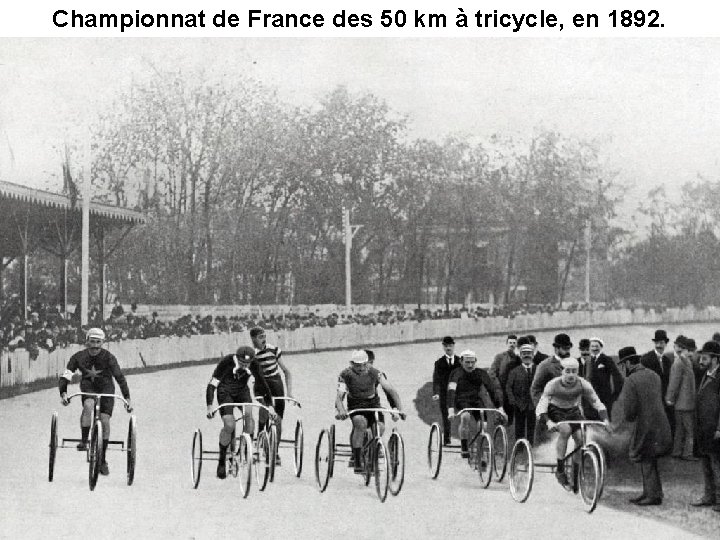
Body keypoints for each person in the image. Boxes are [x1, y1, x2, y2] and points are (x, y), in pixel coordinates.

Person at [59, 327, 132, 476]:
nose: (95, 346)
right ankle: (84, 440)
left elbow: (120, 378)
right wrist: (63, 393)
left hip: (106, 388)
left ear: (102, 343)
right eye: (92, 342)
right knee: (88, 404)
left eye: (98, 342)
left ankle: (103, 459)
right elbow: (66, 376)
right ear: (87, 342)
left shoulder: (109, 357)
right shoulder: (78, 357)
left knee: (105, 420)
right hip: (88, 385)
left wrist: (127, 398)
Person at [536, 356, 608, 487]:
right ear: (561, 371)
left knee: (581, 439)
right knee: (565, 430)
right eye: (568, 371)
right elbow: (542, 405)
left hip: (573, 411)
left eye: (574, 371)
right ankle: (560, 469)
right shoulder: (552, 384)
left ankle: (575, 471)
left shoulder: (583, 383)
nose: (571, 375)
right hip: (555, 410)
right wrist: (548, 422)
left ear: (578, 372)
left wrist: (605, 419)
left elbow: (596, 401)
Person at [206, 345, 276, 479]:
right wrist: (209, 406)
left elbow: (263, 384)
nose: (244, 366)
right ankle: (222, 460)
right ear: (237, 358)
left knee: (249, 418)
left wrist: (270, 406)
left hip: (242, 391)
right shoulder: (226, 362)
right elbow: (212, 385)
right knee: (229, 425)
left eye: (247, 364)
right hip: (225, 391)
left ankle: (245, 449)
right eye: (242, 363)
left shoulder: (254, 364)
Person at [616, 346, 672, 506]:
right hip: (661, 423)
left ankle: (652, 495)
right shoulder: (654, 375)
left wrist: (628, 418)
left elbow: (630, 412)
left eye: (623, 364)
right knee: (650, 459)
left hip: (645, 425)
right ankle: (652, 492)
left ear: (627, 363)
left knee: (646, 459)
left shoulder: (631, 380)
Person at [335, 349, 405, 473]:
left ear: (368, 363)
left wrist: (399, 409)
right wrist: (341, 410)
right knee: (360, 423)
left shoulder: (376, 373)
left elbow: (391, 390)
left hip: (373, 404)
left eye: (364, 365)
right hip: (356, 405)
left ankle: (370, 453)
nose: (361, 368)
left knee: (380, 428)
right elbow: (339, 397)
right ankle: (356, 460)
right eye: (357, 366)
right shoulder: (345, 374)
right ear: (351, 364)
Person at [447, 350, 503, 458]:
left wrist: (499, 408)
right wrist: (450, 410)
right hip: (461, 400)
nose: (470, 365)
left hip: (476, 400)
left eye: (472, 362)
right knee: (465, 417)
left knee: (483, 424)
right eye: (467, 362)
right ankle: (464, 447)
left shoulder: (481, 373)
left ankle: (480, 447)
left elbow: (491, 390)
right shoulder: (456, 373)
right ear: (461, 361)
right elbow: (451, 392)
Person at [250, 326, 293, 465]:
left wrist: (289, 392)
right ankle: (259, 440)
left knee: (278, 419)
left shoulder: (273, 350)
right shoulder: (252, 354)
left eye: (264, 336)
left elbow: (287, 372)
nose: (263, 339)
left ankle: (275, 451)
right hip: (261, 384)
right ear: (253, 339)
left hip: (276, 383)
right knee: (264, 410)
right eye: (260, 337)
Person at [691, 341, 720, 512]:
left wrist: (719, 428)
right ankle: (709, 496)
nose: (701, 360)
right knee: (705, 462)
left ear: (715, 359)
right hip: (703, 429)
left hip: (714, 430)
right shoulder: (706, 374)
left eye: (706, 357)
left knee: (717, 464)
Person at [666, 335, 698, 461]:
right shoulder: (680, 362)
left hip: (682, 403)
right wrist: (670, 398)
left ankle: (677, 451)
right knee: (689, 430)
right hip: (685, 403)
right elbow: (674, 383)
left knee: (680, 429)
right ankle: (687, 453)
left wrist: (671, 398)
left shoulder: (683, 361)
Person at [640, 329, 675, 434]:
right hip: (652, 399)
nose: (659, 345)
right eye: (657, 343)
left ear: (666, 344)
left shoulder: (667, 361)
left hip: (665, 400)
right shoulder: (646, 359)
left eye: (661, 343)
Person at [584, 336, 624, 420]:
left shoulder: (606, 359)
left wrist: (614, 395)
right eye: (592, 346)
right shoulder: (588, 361)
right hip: (590, 397)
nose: (594, 348)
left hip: (604, 397)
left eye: (596, 346)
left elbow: (617, 377)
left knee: (604, 420)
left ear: (601, 347)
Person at [432, 336, 461, 445]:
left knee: (463, 413)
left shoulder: (460, 361)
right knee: (446, 416)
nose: (448, 348)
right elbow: (436, 379)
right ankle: (447, 438)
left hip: (458, 393)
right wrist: (436, 393)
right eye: (446, 346)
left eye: (450, 346)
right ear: (443, 347)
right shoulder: (439, 363)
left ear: (453, 346)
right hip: (444, 393)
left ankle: (463, 438)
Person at [505, 342, 536, 443]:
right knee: (519, 428)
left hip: (534, 404)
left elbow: (542, 386)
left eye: (529, 353)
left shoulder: (538, 370)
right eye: (524, 353)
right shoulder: (514, 371)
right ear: (520, 355)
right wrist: (513, 401)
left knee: (532, 428)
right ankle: (519, 448)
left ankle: (530, 448)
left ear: (533, 354)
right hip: (519, 404)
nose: (526, 355)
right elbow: (508, 387)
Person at [530, 333, 572, 407]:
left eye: (568, 348)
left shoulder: (572, 364)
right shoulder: (545, 365)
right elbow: (535, 390)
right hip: (553, 410)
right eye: (564, 349)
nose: (567, 351)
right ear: (556, 348)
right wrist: (544, 409)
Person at [489, 334, 518, 425]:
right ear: (507, 343)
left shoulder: (518, 358)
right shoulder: (500, 357)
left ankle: (509, 431)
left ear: (516, 345)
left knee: (511, 415)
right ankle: (498, 432)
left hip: (512, 390)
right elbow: (492, 372)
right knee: (500, 413)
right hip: (501, 388)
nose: (512, 345)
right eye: (510, 343)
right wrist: (497, 385)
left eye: (514, 343)